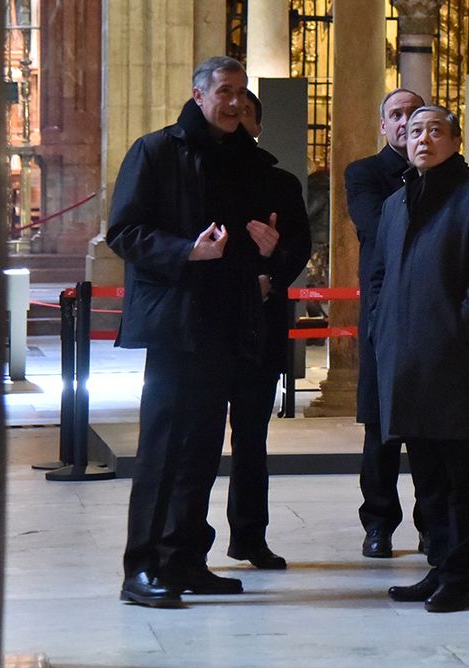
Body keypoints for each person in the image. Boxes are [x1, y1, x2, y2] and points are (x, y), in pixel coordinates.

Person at [107, 57, 310, 608]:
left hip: (231, 323)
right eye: (224, 91)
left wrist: (272, 251)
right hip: (178, 325)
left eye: (241, 93)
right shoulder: (155, 151)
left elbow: (267, 242)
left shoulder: (248, 164)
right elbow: (123, 231)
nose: (235, 102)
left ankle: (186, 559)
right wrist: (185, 251)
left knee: (200, 451)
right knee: (164, 450)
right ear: (198, 95)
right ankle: (143, 568)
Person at [368, 105, 469, 612]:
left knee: (463, 474)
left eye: (434, 130)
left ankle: (461, 578)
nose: (422, 139)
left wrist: (460, 327)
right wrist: (380, 326)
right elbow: (380, 274)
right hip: (405, 357)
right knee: (427, 472)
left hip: (455, 357)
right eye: (413, 131)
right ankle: (439, 566)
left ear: (455, 140)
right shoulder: (394, 203)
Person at [223, 91, 311, 569]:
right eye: (229, 111)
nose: (238, 121)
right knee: (195, 441)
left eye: (247, 113)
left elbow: (299, 246)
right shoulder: (198, 174)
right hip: (208, 324)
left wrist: (273, 266)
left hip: (261, 321)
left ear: (258, 124)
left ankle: (250, 537)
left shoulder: (281, 182)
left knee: (252, 439)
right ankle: (188, 541)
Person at [343, 87, 425, 558]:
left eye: (415, 114)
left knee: (431, 430)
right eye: (397, 115)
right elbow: (377, 227)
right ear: (384, 126)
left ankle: (431, 525)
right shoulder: (366, 174)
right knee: (380, 429)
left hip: (434, 313)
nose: (406, 122)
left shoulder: (445, 174)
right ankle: (379, 524)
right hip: (384, 310)